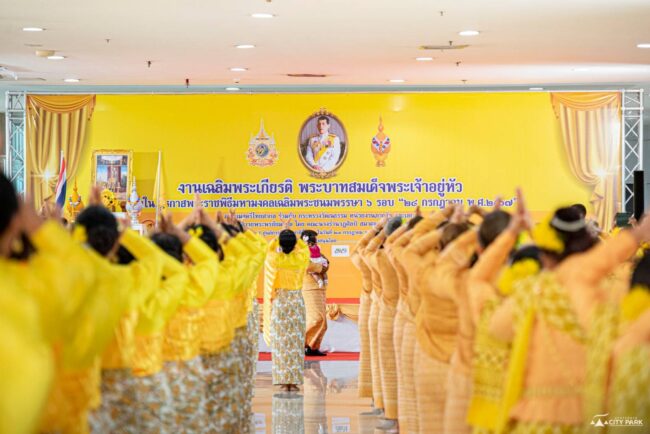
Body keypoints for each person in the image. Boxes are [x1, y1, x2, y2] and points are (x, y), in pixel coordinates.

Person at [489, 206, 650, 434]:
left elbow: (497, 329)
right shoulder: (606, 295)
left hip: (537, 418)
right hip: (592, 415)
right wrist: (636, 236)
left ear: (545, 255)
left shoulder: (533, 291)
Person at [264, 225, 313, 392]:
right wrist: (294, 237)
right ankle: (294, 381)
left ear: (281, 244)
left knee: (281, 343)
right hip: (296, 302)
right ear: (294, 244)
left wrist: (280, 235)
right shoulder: (301, 258)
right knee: (296, 343)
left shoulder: (275, 259)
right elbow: (304, 248)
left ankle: (283, 380)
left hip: (280, 302)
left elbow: (269, 249)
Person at [302, 229, 330, 357]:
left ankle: (312, 347)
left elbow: (326, 264)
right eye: (311, 240)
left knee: (323, 321)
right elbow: (311, 267)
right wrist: (321, 267)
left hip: (320, 288)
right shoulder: (300, 253)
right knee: (315, 319)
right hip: (309, 288)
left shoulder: (317, 251)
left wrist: (322, 267)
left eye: (314, 240)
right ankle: (299, 344)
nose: (313, 243)